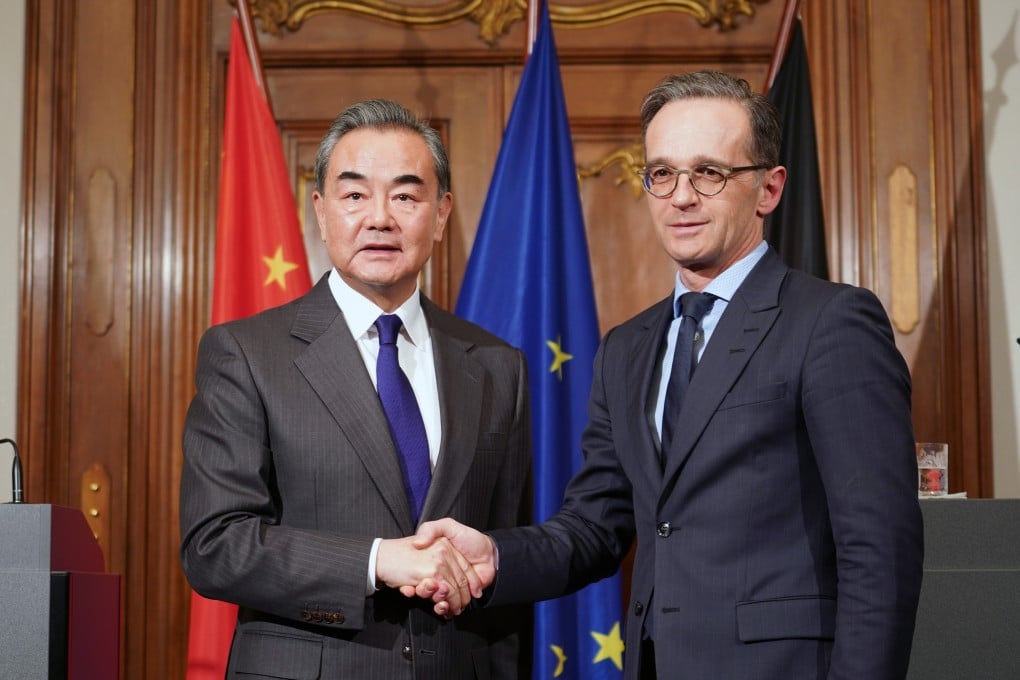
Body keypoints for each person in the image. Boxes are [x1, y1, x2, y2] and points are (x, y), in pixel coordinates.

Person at [415, 71, 924, 679]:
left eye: (709, 173)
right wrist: (497, 556)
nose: (681, 197)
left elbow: (880, 549)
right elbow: (595, 527)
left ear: (768, 188)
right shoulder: (626, 348)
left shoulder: (832, 323)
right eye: (662, 173)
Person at [179, 99, 532, 679]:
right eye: (354, 195)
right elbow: (214, 546)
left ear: (441, 214)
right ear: (321, 212)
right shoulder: (246, 353)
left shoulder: (498, 366)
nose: (380, 218)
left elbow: (504, 564)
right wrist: (375, 560)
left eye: (406, 196)